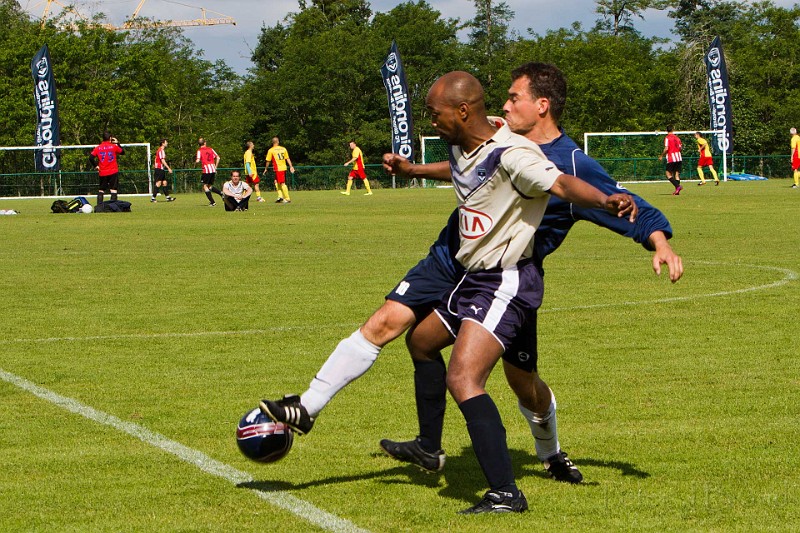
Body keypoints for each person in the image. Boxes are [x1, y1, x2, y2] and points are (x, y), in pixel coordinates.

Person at [260, 63, 682, 501]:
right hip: (453, 256)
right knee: (404, 332)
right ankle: (368, 426)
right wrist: (415, 171)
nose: (504, 103)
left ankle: (549, 454)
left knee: (522, 383)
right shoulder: (491, 132)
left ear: (542, 105)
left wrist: (659, 243)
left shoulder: (562, 160)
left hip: (508, 272)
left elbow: (623, 204)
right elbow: (467, 165)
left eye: (514, 97)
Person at [89, 131, 124, 206]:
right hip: (113, 171)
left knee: (101, 190)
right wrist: (117, 143)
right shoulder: (114, 146)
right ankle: (113, 206)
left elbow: (91, 157)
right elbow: (122, 152)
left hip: (103, 172)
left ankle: (99, 206)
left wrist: (96, 166)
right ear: (110, 138)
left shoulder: (98, 148)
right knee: (113, 189)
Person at [265, 137, 295, 204]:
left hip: (279, 169)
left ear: (272, 142)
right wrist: (291, 166)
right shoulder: (283, 149)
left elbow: (268, 161)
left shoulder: (271, 150)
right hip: (282, 168)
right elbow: (287, 158)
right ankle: (280, 196)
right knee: (276, 181)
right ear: (278, 142)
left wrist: (266, 168)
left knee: (282, 183)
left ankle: (287, 198)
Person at [196, 138, 223, 207]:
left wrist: (196, 161)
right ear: (205, 143)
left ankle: (213, 202)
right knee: (209, 186)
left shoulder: (199, 151)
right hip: (212, 169)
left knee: (205, 186)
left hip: (206, 170)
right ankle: (221, 193)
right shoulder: (210, 149)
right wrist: (215, 167)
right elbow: (218, 158)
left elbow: (198, 160)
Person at [659, 126, 683, 195]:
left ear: (666, 131)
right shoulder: (677, 138)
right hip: (678, 157)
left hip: (671, 158)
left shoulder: (667, 138)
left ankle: (678, 186)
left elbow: (666, 148)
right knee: (677, 174)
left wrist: (661, 155)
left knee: (668, 174)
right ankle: (677, 191)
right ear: (673, 130)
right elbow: (680, 148)